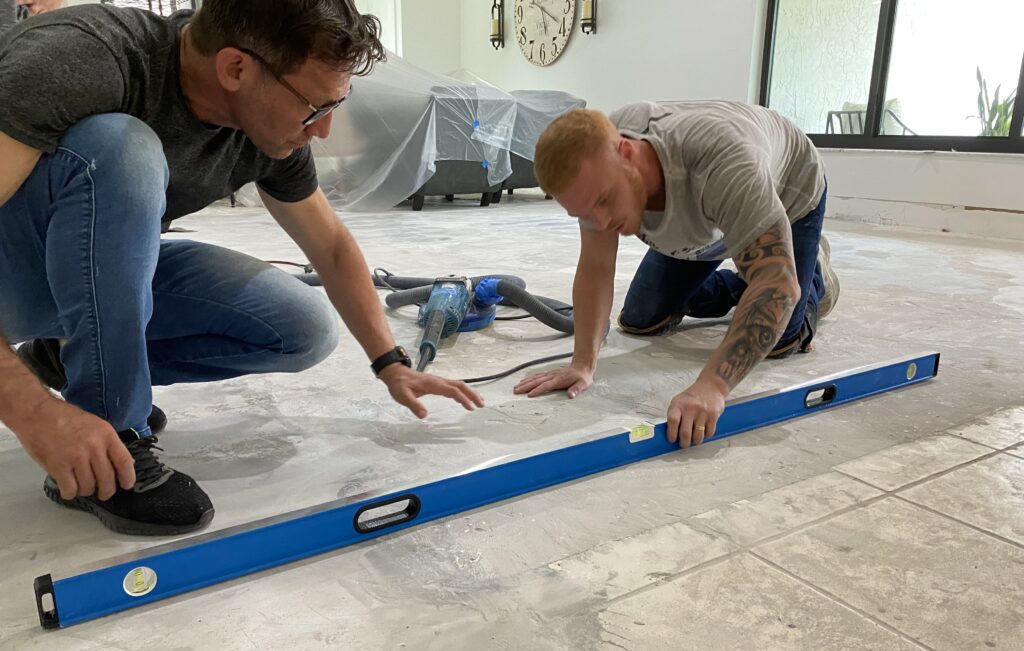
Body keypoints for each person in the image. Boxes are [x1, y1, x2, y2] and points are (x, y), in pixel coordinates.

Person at [0, 0, 483, 536]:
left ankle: (69, 360)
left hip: (81, 272)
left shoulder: (265, 129)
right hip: (13, 277)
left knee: (301, 327)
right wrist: (35, 414)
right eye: (313, 108)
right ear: (235, 68)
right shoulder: (84, 58)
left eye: (334, 105)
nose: (323, 131)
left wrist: (390, 363)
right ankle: (111, 439)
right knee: (122, 147)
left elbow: (331, 248)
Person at [514, 103, 838, 449]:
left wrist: (712, 387)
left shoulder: (724, 164)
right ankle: (748, 273)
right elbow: (596, 266)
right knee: (641, 318)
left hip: (789, 194)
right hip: (709, 217)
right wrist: (582, 363)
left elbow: (779, 285)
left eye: (606, 201)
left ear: (628, 153)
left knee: (781, 334)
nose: (602, 222)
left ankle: (812, 271)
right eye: (585, 213)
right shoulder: (595, 167)